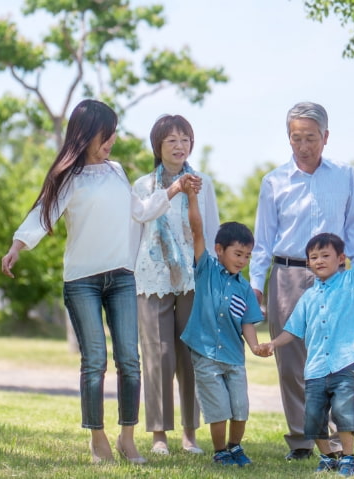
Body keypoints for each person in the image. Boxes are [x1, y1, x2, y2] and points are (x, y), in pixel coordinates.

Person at [0, 99, 200, 466]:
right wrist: (16, 246)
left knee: (129, 358)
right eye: (105, 134)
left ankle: (127, 437)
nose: (111, 140)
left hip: (122, 277)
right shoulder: (68, 177)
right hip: (82, 281)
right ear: (86, 133)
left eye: (113, 133)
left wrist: (172, 191)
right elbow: (41, 217)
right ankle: (97, 439)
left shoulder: (116, 171)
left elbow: (139, 213)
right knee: (94, 361)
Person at [250, 101, 354, 460]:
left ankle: (334, 440)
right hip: (286, 275)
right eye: (296, 138)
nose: (303, 146)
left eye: (311, 138)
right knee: (290, 362)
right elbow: (263, 239)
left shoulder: (344, 175)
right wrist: (256, 283)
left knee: (332, 358)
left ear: (326, 137)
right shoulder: (274, 181)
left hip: (334, 279)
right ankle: (303, 440)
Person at [260, 202, 354, 477]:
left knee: (344, 412)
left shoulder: (351, 280)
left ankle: (349, 458)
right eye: (313, 257)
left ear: (341, 259)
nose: (318, 261)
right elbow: (292, 330)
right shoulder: (308, 297)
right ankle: (328, 457)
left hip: (345, 361)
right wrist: (272, 343)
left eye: (325, 255)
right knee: (313, 417)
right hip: (315, 367)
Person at [132, 114, 220, 455]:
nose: (179, 146)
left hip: (191, 280)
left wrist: (211, 277)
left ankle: (189, 434)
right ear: (158, 146)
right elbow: (139, 223)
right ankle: (158, 435)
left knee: (189, 356)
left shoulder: (203, 184)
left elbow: (210, 232)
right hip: (151, 278)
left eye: (185, 139)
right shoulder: (143, 186)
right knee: (158, 355)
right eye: (172, 140)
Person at [179, 179, 265, 467]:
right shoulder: (206, 269)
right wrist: (192, 197)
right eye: (237, 254)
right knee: (218, 409)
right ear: (220, 249)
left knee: (240, 409)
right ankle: (220, 452)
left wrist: (254, 347)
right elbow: (197, 230)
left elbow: (249, 322)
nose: (242, 260)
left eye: (247, 256)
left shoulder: (244, 289)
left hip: (233, 357)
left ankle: (235, 447)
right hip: (205, 354)